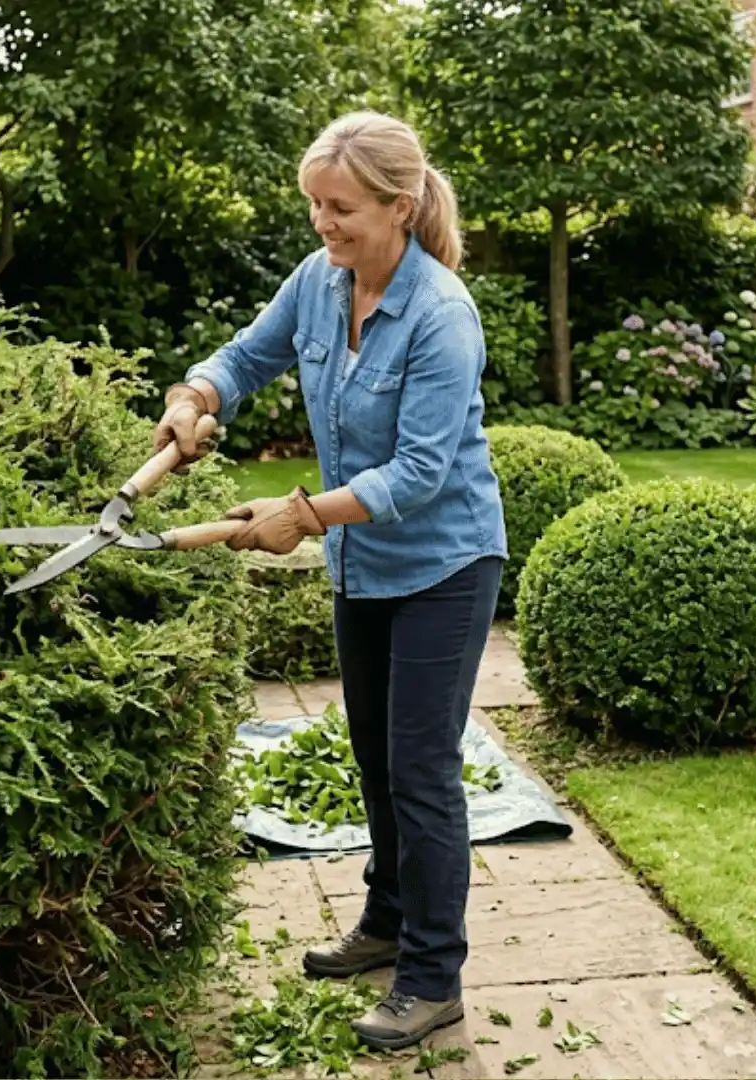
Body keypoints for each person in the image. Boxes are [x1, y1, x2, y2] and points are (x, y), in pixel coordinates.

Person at [154, 111, 506, 1050]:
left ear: (401, 205)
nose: (322, 224)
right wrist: (196, 398)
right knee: (372, 755)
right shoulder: (321, 282)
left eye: (340, 207)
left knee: (422, 770)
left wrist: (301, 516)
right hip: (365, 564)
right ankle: (387, 924)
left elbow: (422, 474)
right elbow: (245, 356)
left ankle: (433, 978)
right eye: (313, 204)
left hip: (445, 565)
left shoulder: (439, 314)